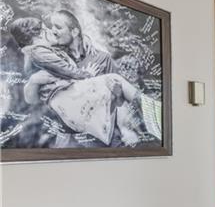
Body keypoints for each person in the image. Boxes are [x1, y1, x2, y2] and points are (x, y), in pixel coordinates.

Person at [9, 13, 145, 146]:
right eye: (50, 27)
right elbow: (31, 99)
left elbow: (119, 97)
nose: (52, 31)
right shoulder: (48, 54)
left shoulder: (101, 57)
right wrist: (33, 80)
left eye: (58, 27)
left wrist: (126, 129)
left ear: (74, 32)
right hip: (72, 139)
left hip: (107, 134)